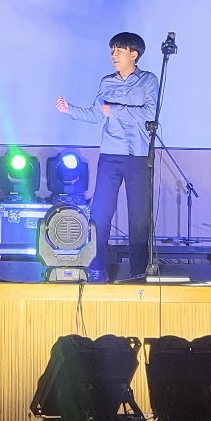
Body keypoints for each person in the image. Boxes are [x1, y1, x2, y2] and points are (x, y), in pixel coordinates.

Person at [56, 32, 159, 283]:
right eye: (112, 50)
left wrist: (115, 110)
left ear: (133, 54)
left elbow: (150, 113)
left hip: (138, 156)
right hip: (111, 155)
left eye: (119, 51)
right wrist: (70, 110)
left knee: (139, 217)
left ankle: (138, 271)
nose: (113, 55)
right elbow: (96, 114)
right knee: (100, 213)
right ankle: (96, 267)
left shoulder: (148, 80)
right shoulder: (107, 82)